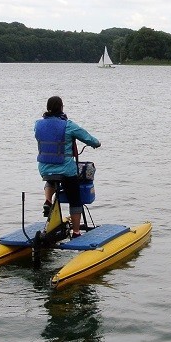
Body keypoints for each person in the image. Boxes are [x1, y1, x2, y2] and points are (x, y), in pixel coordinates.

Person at [35, 95, 101, 238]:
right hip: (65, 169)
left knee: (51, 179)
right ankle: (76, 232)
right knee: (75, 198)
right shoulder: (68, 125)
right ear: (61, 108)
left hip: (45, 168)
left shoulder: (38, 124)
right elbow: (87, 137)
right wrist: (96, 143)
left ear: (47, 108)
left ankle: (48, 200)